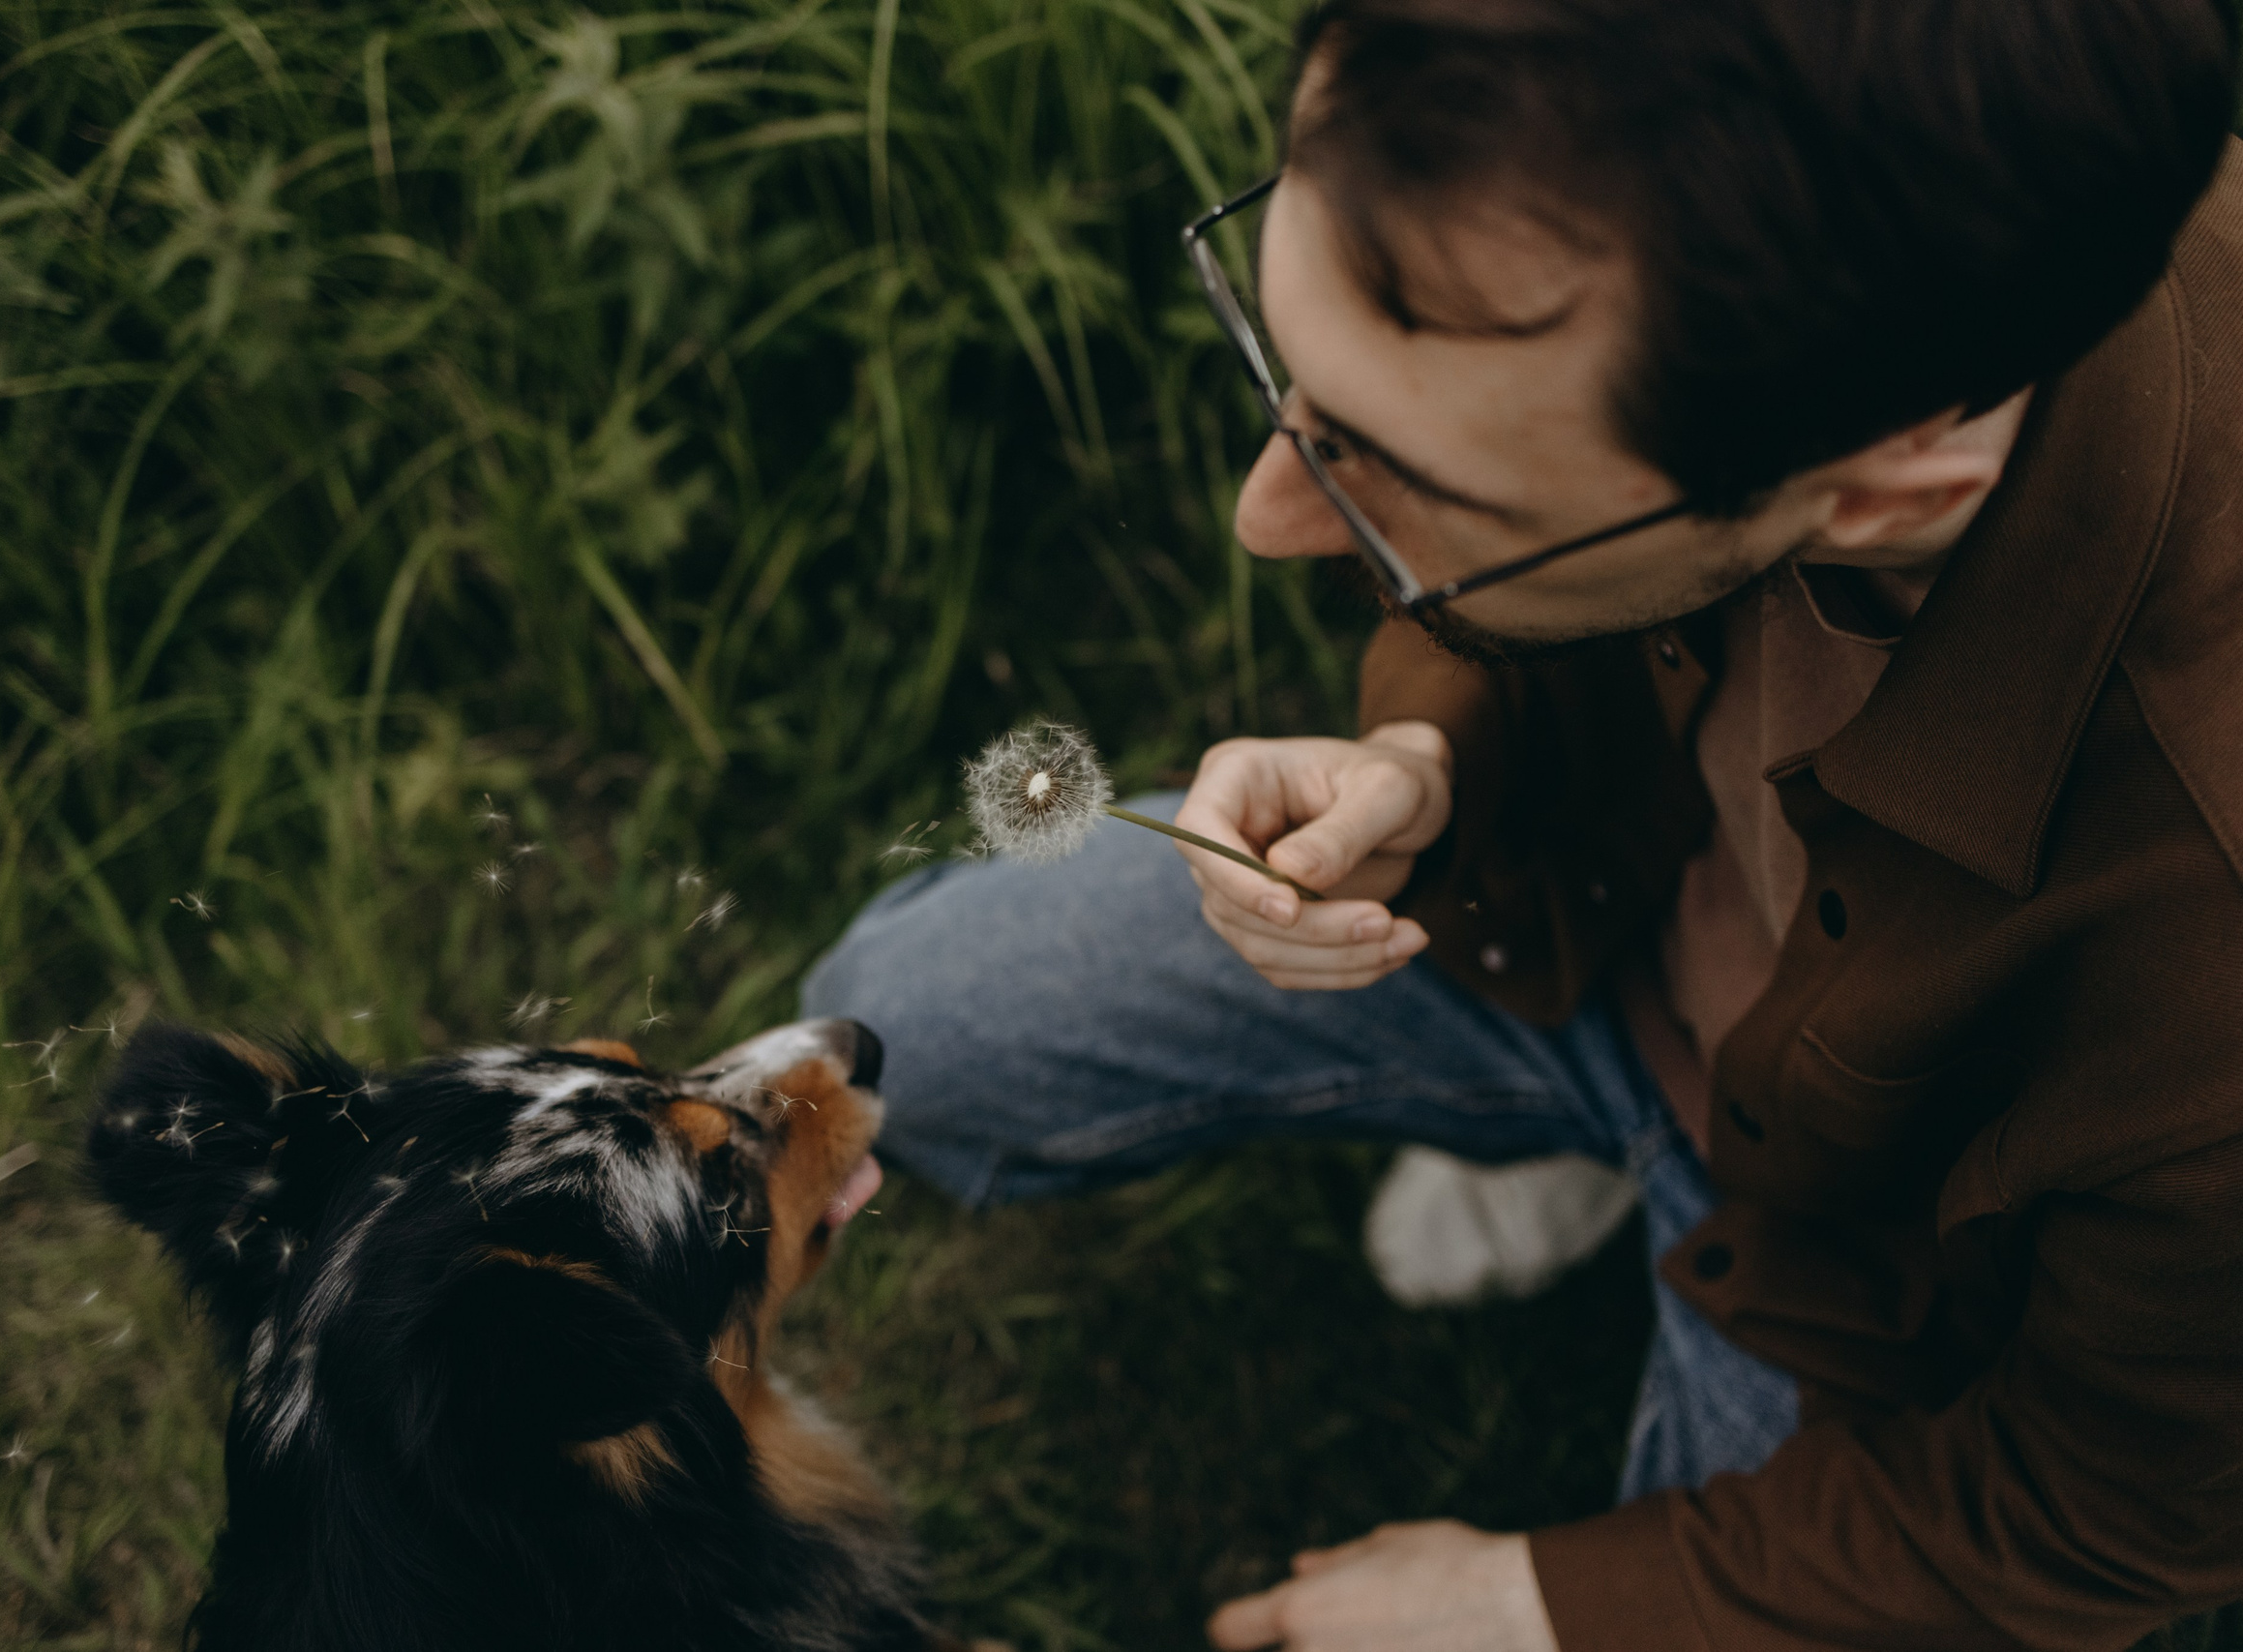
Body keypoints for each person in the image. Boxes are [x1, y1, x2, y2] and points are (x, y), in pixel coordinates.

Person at [802, 1, 2243, 1646]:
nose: (1267, 522)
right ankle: (1587, 1105)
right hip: (1583, 899)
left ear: (1886, 494)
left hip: (1874, 1276)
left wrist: (1523, 1599)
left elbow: (2104, 1515)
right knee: (906, 1028)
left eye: (1418, 488)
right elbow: (1597, 584)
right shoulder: (1880, 221)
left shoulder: (2205, 945)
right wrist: (1433, 757)